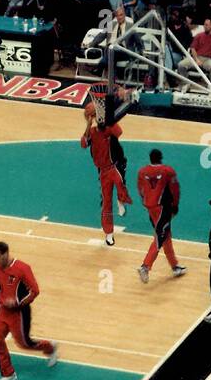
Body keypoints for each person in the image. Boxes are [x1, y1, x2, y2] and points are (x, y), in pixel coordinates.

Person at [0, 241, 57, 380]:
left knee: (24, 343)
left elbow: (35, 291)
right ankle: (9, 373)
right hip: (3, 310)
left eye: (0, 257)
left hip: (19, 312)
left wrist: (17, 303)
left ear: (6, 253)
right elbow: (0, 287)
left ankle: (49, 347)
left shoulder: (22, 268)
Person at [80, 108, 133, 245]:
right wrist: (88, 123)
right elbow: (83, 144)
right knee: (106, 203)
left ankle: (121, 201)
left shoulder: (109, 130)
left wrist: (108, 118)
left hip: (115, 166)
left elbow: (119, 132)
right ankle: (109, 234)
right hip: (103, 171)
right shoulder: (91, 132)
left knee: (121, 187)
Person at [136, 148, 187, 282]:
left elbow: (140, 189)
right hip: (163, 208)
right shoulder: (168, 171)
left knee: (165, 235)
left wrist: (146, 201)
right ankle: (145, 267)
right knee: (160, 236)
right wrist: (175, 205)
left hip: (150, 208)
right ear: (161, 158)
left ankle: (175, 266)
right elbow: (175, 189)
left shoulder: (142, 171)